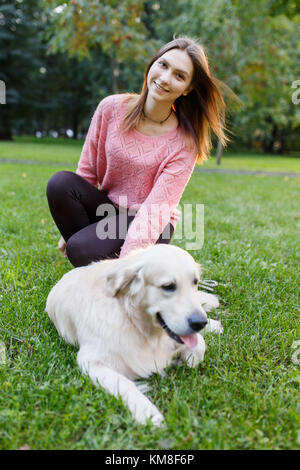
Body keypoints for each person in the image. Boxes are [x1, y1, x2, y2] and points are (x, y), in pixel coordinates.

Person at [46, 36, 228, 268]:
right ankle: (96, 255)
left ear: (187, 89)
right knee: (60, 183)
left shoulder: (185, 143)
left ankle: (109, 265)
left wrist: (126, 267)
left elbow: (154, 212)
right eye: (163, 65)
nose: (165, 78)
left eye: (179, 76)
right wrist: (68, 228)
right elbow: (87, 171)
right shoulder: (111, 108)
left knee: (80, 249)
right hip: (109, 210)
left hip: (152, 221)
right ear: (153, 63)